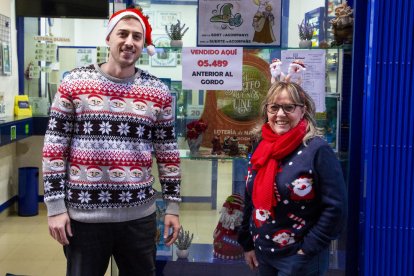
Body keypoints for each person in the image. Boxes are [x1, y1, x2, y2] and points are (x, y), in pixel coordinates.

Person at [42, 6, 181, 276]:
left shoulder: (158, 91)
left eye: (137, 37)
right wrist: (55, 208)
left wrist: (172, 206)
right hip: (83, 219)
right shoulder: (74, 83)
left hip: (139, 218)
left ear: (143, 44)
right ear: (109, 38)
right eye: (123, 34)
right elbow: (53, 149)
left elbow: (168, 153)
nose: (129, 42)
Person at [237, 81, 347, 275]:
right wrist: (247, 243)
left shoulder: (317, 150)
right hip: (263, 253)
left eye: (289, 107)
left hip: (300, 258)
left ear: (302, 110)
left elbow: (336, 208)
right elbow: (250, 199)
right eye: (274, 107)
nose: (280, 114)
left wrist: (307, 249)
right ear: (266, 111)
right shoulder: (262, 147)